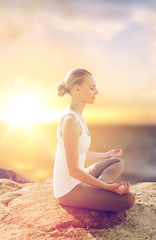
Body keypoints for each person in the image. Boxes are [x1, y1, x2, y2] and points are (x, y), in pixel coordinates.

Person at [53, 68, 135, 211]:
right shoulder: (70, 120)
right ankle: (100, 187)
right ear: (77, 89)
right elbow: (73, 171)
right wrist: (108, 187)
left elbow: (80, 152)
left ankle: (98, 187)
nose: (96, 92)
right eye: (92, 88)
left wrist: (106, 154)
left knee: (117, 161)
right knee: (128, 200)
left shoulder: (78, 116)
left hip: (78, 179)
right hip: (68, 189)